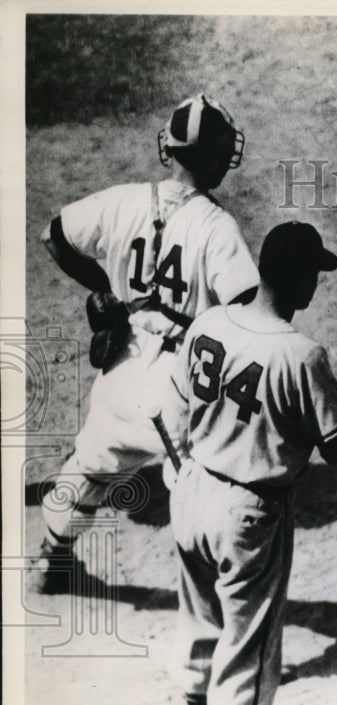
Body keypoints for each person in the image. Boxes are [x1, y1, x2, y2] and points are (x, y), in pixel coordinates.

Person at [165, 222, 337, 705]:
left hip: (192, 488)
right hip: (249, 510)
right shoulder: (301, 353)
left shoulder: (210, 322)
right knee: (248, 638)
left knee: (199, 624)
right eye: (313, 274)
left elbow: (170, 406)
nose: (317, 284)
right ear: (294, 277)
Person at [30, 93, 259, 594]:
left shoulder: (123, 200)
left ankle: (50, 562)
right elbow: (245, 307)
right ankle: (212, 602)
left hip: (121, 368)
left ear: (169, 149)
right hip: (180, 387)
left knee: (87, 469)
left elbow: (53, 236)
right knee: (202, 491)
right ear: (220, 158)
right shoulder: (217, 227)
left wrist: (105, 287)